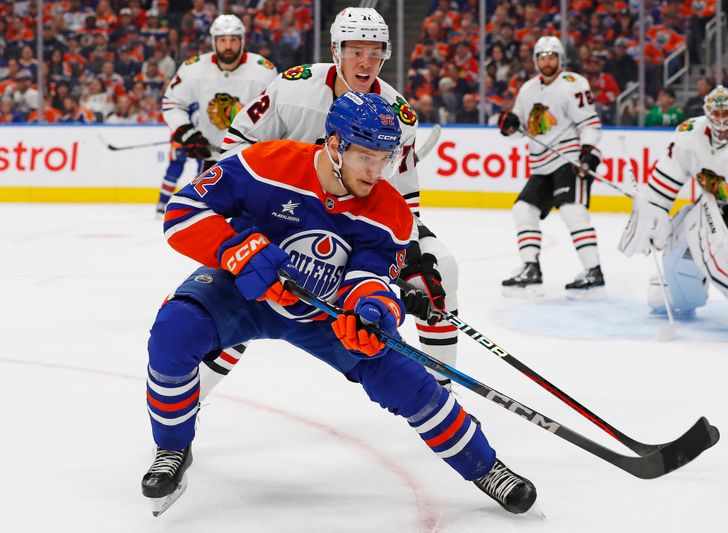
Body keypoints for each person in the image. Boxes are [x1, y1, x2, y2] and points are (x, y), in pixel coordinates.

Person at [140, 91, 537, 517]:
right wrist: (237, 250)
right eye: (366, 156)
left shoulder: (390, 211)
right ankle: (172, 448)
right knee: (175, 330)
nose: (376, 171)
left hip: (325, 313)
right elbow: (183, 210)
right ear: (334, 145)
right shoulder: (266, 163)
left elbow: (373, 275)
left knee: (408, 383)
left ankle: (485, 467)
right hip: (245, 290)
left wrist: (370, 309)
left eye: (385, 158)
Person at [218, 7, 461, 391]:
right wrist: (250, 214)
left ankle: (442, 391)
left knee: (441, 269)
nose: (365, 61)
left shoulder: (399, 116)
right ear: (335, 50)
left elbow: (404, 196)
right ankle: (190, 401)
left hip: (358, 223)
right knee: (248, 293)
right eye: (355, 50)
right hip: (288, 215)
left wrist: (411, 256)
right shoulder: (293, 88)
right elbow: (236, 144)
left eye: (375, 51)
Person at [619, 86, 728, 335]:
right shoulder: (688, 134)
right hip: (713, 205)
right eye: (715, 113)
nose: (721, 119)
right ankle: (680, 291)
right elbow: (664, 184)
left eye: (726, 112)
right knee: (689, 227)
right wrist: (652, 212)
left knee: (721, 246)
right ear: (707, 113)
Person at [497, 36, 605, 298]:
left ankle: (594, 272)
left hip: (568, 159)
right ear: (536, 60)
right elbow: (520, 129)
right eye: (542, 57)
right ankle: (531, 268)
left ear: (560, 59)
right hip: (541, 164)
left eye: (551, 56)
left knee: (572, 211)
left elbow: (590, 124)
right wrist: (509, 125)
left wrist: (587, 152)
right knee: (524, 209)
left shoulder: (573, 83)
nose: (547, 61)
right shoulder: (528, 89)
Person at [158, 13, 277, 212]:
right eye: (222, 40)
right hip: (210, 158)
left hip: (250, 159)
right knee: (207, 217)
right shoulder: (193, 68)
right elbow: (172, 102)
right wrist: (185, 131)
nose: (228, 46)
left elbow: (276, 113)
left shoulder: (264, 71)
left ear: (242, 40)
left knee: (253, 217)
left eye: (233, 40)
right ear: (214, 42)